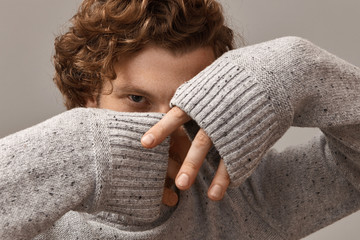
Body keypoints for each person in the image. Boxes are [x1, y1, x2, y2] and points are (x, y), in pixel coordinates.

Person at [1, 0, 359, 240]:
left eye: (190, 103)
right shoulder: (36, 208)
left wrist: (300, 67)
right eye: (137, 100)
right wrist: (77, 150)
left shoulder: (251, 196)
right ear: (85, 99)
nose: (164, 128)